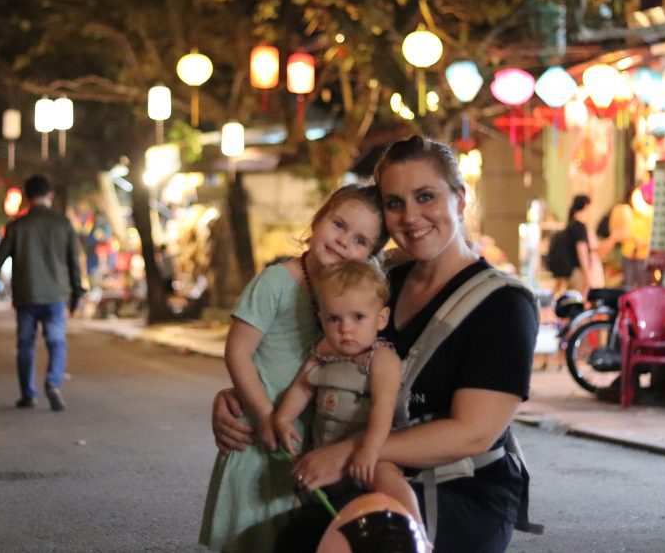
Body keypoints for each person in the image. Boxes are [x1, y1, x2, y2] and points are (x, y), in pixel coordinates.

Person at [213, 136, 539, 552]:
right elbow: (319, 355)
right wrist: (240, 395)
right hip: (369, 470)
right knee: (289, 540)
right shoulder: (379, 279)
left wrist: (350, 452)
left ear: (459, 200)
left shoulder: (502, 304)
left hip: (459, 487)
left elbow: (472, 434)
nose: (411, 216)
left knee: (353, 541)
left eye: (426, 197)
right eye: (395, 203)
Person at [199, 184, 389, 552]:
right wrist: (266, 414)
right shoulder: (276, 283)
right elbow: (237, 352)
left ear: (370, 256)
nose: (343, 241)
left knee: (286, 536)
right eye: (338, 224)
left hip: (305, 437)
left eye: (360, 240)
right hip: (259, 432)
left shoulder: (348, 298)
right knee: (249, 537)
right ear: (318, 220)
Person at [271, 260, 424, 534]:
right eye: (334, 319)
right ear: (321, 320)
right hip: (325, 445)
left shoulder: (381, 358)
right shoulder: (324, 350)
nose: (345, 329)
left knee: (386, 476)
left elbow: (383, 407)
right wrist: (283, 417)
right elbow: (303, 386)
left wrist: (369, 449)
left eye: (358, 317)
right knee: (305, 497)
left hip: (369, 445)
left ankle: (416, 531)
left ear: (381, 318)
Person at [0, 174, 85, 412]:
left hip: (26, 295)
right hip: (56, 295)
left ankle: (28, 394)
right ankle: (53, 383)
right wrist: (77, 293)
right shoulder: (62, 224)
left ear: (26, 197)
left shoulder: (17, 226)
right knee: (56, 342)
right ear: (50, 195)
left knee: (25, 344)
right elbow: (74, 262)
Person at [551, 194, 595, 295]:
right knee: (575, 301)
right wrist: (587, 275)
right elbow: (582, 253)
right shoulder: (579, 227)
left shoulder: (570, 225)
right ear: (586, 206)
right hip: (575, 273)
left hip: (565, 272)